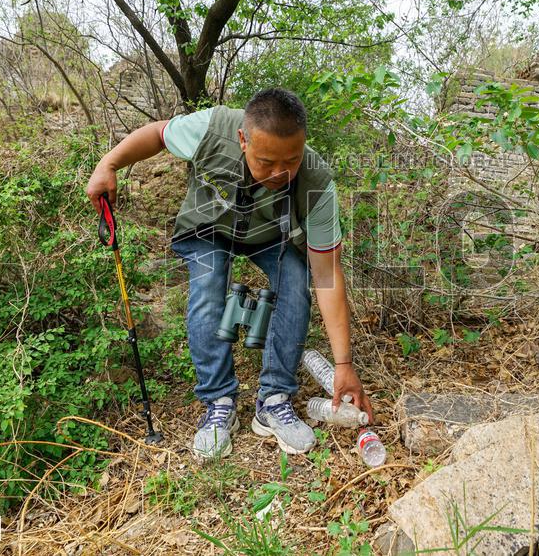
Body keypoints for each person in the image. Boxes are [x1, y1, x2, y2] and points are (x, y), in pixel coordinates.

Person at [85, 87, 373, 460]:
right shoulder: (212, 128)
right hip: (209, 229)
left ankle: (274, 399)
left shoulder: (317, 183)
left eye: (292, 160)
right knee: (207, 286)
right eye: (266, 161)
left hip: (270, 234)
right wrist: (108, 163)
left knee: (296, 281)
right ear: (242, 139)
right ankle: (219, 402)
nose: (280, 173)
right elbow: (158, 134)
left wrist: (344, 365)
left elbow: (327, 275)